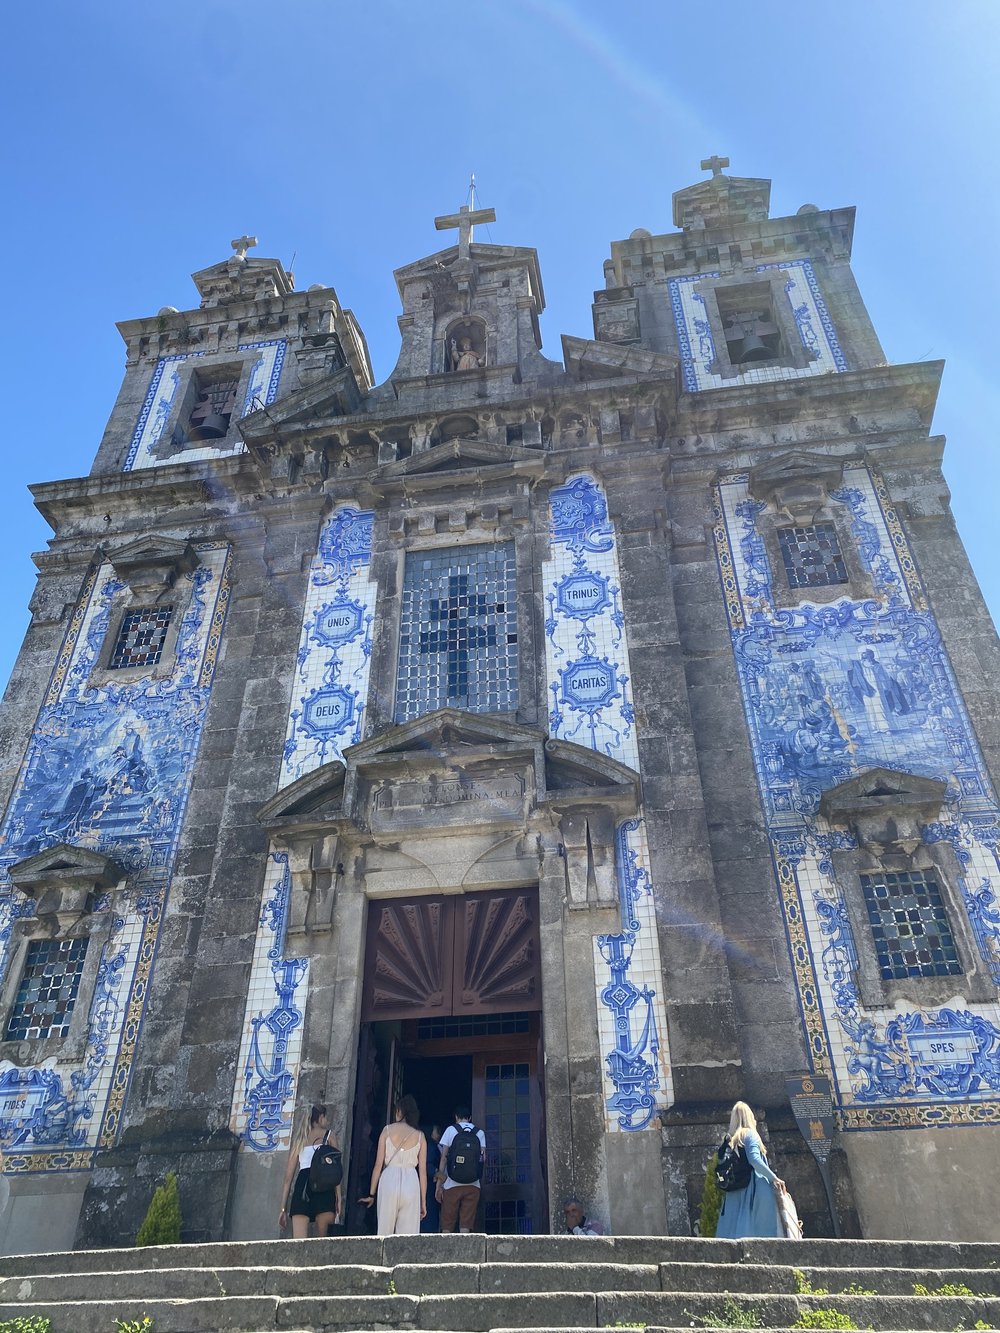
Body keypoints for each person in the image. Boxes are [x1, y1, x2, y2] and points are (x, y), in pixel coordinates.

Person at [715, 1101, 785, 1239]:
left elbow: (720, 1162)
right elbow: (754, 1160)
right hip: (754, 1188)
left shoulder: (728, 1140)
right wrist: (774, 1178)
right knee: (758, 1227)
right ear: (749, 1117)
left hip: (734, 1188)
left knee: (733, 1227)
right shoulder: (749, 1135)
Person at [360, 1093, 427, 1235]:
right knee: (407, 1236)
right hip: (411, 1181)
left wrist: (371, 1194)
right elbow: (422, 1171)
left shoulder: (387, 1130)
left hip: (389, 1178)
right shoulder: (420, 1136)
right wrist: (423, 1201)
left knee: (385, 1231)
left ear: (400, 1111)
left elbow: (378, 1165)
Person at [278, 1103, 341, 1238]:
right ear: (320, 1118)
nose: (327, 1121)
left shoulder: (300, 1138)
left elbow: (288, 1178)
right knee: (323, 1243)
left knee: (299, 1243)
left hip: (303, 1186)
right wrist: (338, 1198)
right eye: (326, 1117)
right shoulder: (329, 1136)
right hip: (324, 1185)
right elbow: (337, 1172)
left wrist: (283, 1209)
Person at [436, 1105, 486, 1234]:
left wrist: (439, 1185)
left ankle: (446, 1252)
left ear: (456, 1117)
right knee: (466, 1224)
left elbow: (443, 1159)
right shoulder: (479, 1133)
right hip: (473, 1184)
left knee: (447, 1223)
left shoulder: (451, 1130)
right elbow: (482, 1158)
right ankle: (466, 1252)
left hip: (451, 1184)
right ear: (470, 1118)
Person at [420, 1124, 442, 1233]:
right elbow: (429, 1166)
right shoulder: (431, 1147)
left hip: (429, 1185)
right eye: (436, 1131)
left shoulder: (432, 1145)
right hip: (430, 1185)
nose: (439, 1133)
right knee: (430, 1214)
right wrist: (440, 1175)